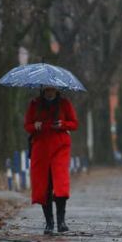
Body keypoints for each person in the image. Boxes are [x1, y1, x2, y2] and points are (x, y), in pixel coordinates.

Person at [24, 87, 79, 234]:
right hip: (41, 148)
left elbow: (74, 124)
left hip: (60, 147)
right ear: (43, 90)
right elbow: (27, 125)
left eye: (52, 90)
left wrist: (62, 124)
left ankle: (61, 222)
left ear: (56, 90)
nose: (49, 92)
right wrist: (34, 126)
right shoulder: (35, 104)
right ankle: (49, 223)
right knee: (44, 185)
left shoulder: (64, 103)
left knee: (60, 184)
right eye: (47, 90)